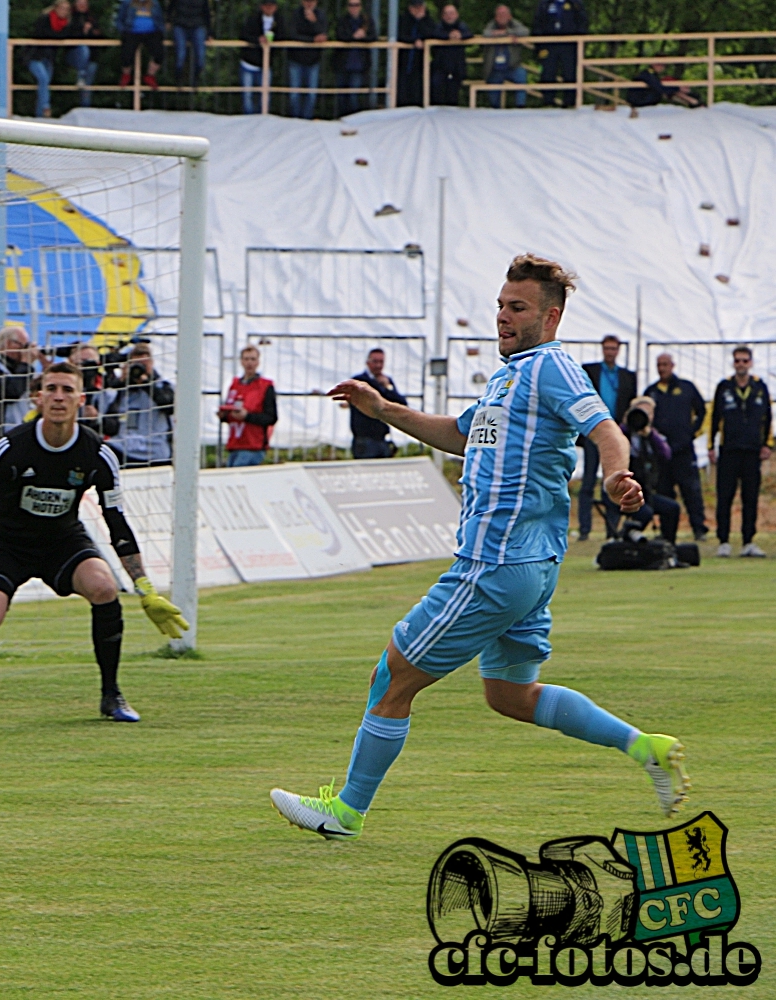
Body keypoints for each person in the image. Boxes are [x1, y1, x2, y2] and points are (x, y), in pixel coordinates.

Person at [271, 254, 689, 842]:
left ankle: (345, 813)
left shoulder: (550, 367)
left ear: (551, 317)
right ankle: (646, 747)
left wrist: (618, 475)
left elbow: (606, 430)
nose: (501, 317)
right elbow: (461, 435)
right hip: (530, 568)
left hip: (495, 564)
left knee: (390, 678)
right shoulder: (508, 377)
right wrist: (384, 410)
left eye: (516, 308)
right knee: (510, 695)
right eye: (499, 305)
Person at [0, 361, 188, 728]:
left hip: (63, 541)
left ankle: (111, 695)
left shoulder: (98, 453)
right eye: (51, 389)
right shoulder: (10, 447)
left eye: (67, 390)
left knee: (104, 588)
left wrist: (145, 587)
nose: (59, 397)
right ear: (37, 397)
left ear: (81, 399)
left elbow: (115, 520)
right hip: (7, 543)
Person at [709, 346, 771, 558]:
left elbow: (768, 419)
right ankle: (724, 541)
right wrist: (710, 446)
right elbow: (714, 419)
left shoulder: (759, 387)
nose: (741, 365)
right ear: (733, 363)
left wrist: (767, 445)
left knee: (750, 497)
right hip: (729, 450)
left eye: (745, 361)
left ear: (751, 363)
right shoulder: (724, 387)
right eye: (738, 361)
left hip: (752, 451)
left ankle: (748, 541)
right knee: (725, 496)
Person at [578, 335, 636, 541]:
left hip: (616, 433)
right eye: (607, 348)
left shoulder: (628, 377)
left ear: (618, 350)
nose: (610, 352)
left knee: (614, 480)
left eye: (613, 349)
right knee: (588, 481)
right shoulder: (590, 371)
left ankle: (612, 528)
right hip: (594, 433)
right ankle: (584, 528)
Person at [646, 353, 707, 541]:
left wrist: (692, 433)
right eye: (659, 364)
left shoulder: (686, 388)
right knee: (664, 491)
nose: (662, 368)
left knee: (691, 491)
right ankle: (667, 530)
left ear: (673, 365)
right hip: (661, 453)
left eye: (665, 364)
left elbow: (702, 411)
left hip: (683, 450)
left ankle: (699, 528)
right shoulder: (651, 392)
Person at [614, 397, 679, 542]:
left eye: (648, 413)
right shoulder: (623, 434)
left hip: (645, 492)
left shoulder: (652, 436)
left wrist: (650, 435)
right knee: (645, 513)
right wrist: (626, 425)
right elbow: (613, 446)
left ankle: (668, 545)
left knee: (672, 508)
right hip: (624, 492)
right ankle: (626, 537)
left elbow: (666, 454)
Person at [105, 342, 175, 467]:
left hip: (155, 452)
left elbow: (169, 405)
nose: (139, 369)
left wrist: (145, 382)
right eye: (136, 365)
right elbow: (107, 425)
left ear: (152, 364)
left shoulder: (163, 386)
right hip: (124, 449)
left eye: (143, 364)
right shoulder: (121, 391)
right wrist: (121, 382)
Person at [0, 325, 40, 450]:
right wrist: (26, 364)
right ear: (7, 344)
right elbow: (12, 391)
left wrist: (45, 364)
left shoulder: (18, 369)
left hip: (20, 431)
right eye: (22, 345)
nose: (25, 350)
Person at [219, 345, 277, 467]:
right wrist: (224, 416)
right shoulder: (235, 385)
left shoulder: (265, 386)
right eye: (246, 359)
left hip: (253, 445)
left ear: (258, 362)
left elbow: (271, 417)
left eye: (252, 359)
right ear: (241, 361)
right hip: (235, 443)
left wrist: (247, 416)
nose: (249, 363)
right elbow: (231, 410)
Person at [350, 347, 407, 458]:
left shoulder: (386, 381)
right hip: (364, 439)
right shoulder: (359, 381)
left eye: (381, 362)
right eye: (375, 362)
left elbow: (401, 403)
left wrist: (388, 388)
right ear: (368, 363)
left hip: (382, 438)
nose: (378, 365)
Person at [532, 0, 588, 108]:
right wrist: (539, 44)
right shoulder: (545, 4)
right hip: (549, 44)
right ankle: (548, 101)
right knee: (548, 72)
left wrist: (578, 40)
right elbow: (537, 22)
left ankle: (569, 102)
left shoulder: (575, 3)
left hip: (569, 44)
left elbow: (582, 21)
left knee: (570, 72)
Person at [27, 1, 76, 118]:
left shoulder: (66, 24)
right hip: (34, 56)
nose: (63, 11)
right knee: (43, 79)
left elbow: (65, 36)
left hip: (49, 58)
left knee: (45, 83)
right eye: (62, 8)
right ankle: (45, 108)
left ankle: (40, 115)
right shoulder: (44, 19)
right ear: (55, 8)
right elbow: (41, 34)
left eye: (66, 9)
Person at [286, 0, 329, 120]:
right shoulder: (295, 14)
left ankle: (307, 119)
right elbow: (292, 35)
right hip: (296, 59)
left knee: (311, 95)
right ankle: (295, 119)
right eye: (306, 1)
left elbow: (323, 34)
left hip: (313, 60)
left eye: (312, 1)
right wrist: (312, 40)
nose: (309, 3)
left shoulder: (320, 15)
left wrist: (314, 21)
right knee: (294, 94)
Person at [481, 4, 529, 108]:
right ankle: (495, 110)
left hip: (513, 66)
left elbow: (525, 31)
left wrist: (508, 32)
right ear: (495, 17)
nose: (502, 17)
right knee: (494, 97)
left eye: (504, 14)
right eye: (499, 14)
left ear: (509, 16)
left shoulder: (514, 24)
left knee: (522, 75)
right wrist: (501, 34)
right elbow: (485, 33)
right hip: (495, 68)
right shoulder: (492, 25)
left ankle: (520, 107)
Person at [239, 0, 280, 114]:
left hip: (266, 64)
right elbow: (243, 35)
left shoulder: (279, 20)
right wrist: (258, 40)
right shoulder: (253, 19)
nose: (269, 8)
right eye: (266, 5)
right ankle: (248, 119)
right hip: (249, 63)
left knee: (265, 96)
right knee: (247, 95)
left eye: (271, 6)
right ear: (262, 7)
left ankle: (262, 118)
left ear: (275, 7)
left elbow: (284, 35)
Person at [333, 0, 375, 115]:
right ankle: (340, 119)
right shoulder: (342, 20)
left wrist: (363, 36)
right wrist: (354, 36)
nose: (354, 7)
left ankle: (352, 120)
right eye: (351, 5)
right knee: (341, 96)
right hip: (343, 63)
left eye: (356, 5)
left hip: (359, 64)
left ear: (360, 6)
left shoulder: (367, 20)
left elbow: (373, 36)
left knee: (353, 96)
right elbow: (340, 35)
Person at [396, 0, 437, 107]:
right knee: (402, 90)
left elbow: (431, 34)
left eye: (420, 7)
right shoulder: (403, 19)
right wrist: (414, 41)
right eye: (415, 7)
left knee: (418, 90)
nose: (417, 9)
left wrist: (421, 20)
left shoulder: (428, 21)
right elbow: (400, 35)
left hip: (420, 63)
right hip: (403, 62)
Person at [430, 4, 473, 106]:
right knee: (436, 92)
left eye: (452, 13)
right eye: (446, 13)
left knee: (453, 96)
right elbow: (434, 33)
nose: (449, 16)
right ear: (442, 16)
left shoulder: (461, 26)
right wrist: (448, 36)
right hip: (440, 67)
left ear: (456, 15)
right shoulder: (439, 26)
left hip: (457, 68)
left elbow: (470, 34)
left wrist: (460, 35)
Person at [116, 0, 164, 91]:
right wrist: (123, 31)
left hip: (151, 33)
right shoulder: (127, 2)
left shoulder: (155, 3)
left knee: (159, 54)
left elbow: (160, 19)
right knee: (126, 54)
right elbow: (120, 19)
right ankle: (126, 74)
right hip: (132, 32)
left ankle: (150, 75)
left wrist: (161, 31)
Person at [167, 0, 211, 91]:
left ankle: (195, 79)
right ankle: (178, 79)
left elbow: (206, 13)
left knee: (200, 58)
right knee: (180, 57)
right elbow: (170, 8)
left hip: (197, 25)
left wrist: (210, 32)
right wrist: (168, 21)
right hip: (180, 24)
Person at [66, 0, 102, 108]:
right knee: (83, 49)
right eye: (79, 3)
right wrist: (83, 31)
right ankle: (80, 75)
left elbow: (100, 35)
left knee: (88, 83)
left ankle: (85, 107)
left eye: (84, 3)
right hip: (74, 53)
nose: (82, 6)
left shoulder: (92, 18)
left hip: (92, 56)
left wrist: (90, 32)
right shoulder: (70, 17)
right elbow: (68, 35)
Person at [627, 63, 701, 108]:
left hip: (641, 99)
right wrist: (678, 88)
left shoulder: (651, 74)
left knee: (669, 90)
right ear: (653, 64)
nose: (661, 67)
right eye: (659, 64)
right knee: (667, 91)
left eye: (663, 65)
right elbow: (659, 88)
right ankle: (693, 102)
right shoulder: (649, 74)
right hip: (640, 100)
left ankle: (692, 102)